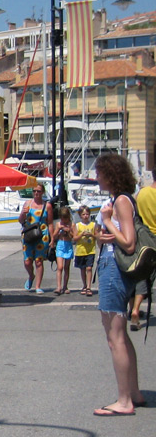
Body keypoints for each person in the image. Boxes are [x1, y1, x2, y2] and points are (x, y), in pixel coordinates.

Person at [93, 153, 145, 416]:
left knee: (115, 337)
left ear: (110, 174)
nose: (96, 177)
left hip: (114, 270)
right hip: (113, 267)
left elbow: (129, 242)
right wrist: (103, 236)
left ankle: (124, 400)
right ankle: (133, 392)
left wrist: (107, 221)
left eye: (100, 173)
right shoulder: (120, 200)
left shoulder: (121, 201)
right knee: (121, 336)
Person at [128, 168, 156, 331]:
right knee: (149, 278)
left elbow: (134, 215)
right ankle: (137, 309)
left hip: (143, 237)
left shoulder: (142, 194)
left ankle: (134, 308)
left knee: (141, 274)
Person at [19, 184, 54, 294]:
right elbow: (20, 221)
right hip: (28, 235)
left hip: (42, 235)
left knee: (39, 261)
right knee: (27, 261)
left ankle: (38, 286)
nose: (36, 193)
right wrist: (23, 214)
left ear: (42, 192)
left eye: (38, 191)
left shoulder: (47, 205)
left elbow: (50, 223)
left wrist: (52, 239)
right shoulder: (27, 204)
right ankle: (31, 276)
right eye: (34, 191)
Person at [73, 205, 97, 296]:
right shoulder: (78, 225)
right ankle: (84, 285)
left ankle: (89, 287)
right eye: (83, 214)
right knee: (82, 269)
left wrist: (91, 235)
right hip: (80, 250)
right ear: (80, 215)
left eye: (87, 214)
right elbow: (75, 238)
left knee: (89, 268)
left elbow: (97, 236)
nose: (85, 216)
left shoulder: (93, 225)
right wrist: (81, 235)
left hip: (90, 250)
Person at [51, 206, 74, 295]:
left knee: (66, 267)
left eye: (66, 218)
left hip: (68, 245)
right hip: (60, 245)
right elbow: (54, 235)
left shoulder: (72, 224)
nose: (64, 221)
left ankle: (65, 286)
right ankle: (58, 286)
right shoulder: (58, 224)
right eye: (62, 218)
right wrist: (59, 229)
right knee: (60, 267)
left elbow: (73, 237)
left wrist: (69, 231)